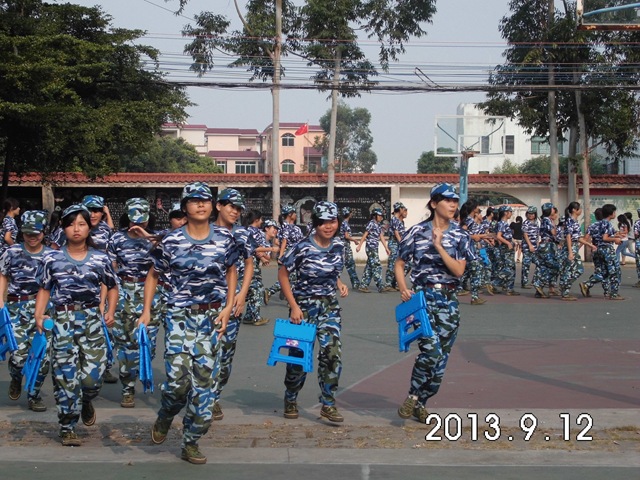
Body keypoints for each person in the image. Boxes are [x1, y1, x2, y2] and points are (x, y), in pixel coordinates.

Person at [140, 181, 238, 465]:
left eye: (205, 200)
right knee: (177, 384)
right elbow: (153, 275)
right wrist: (146, 310)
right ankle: (166, 414)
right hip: (179, 317)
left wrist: (228, 306)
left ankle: (191, 440)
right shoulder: (171, 241)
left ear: (212, 205)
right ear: (184, 207)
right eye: (194, 200)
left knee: (205, 387)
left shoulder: (225, 238)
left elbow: (231, 270)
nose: (201, 204)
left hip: (211, 317)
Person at [34, 204, 119, 446]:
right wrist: (39, 315)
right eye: (71, 224)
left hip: (91, 320)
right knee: (64, 376)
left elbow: (112, 286)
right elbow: (44, 288)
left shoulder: (100, 258)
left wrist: (110, 311)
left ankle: (86, 400)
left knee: (93, 379)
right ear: (63, 228)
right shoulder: (51, 258)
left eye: (81, 224)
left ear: (89, 227)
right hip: (62, 321)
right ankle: (67, 426)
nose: (76, 229)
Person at [394, 183, 471, 423]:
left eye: (455, 201)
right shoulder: (416, 232)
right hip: (423, 299)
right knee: (431, 351)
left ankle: (420, 403)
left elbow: (459, 271)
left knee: (441, 362)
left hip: (449, 300)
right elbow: (399, 264)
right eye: (448, 200)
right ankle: (413, 395)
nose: (453, 205)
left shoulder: (460, 235)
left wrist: (439, 245)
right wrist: (403, 288)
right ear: (434, 203)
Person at [278, 201, 348, 423]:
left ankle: (328, 402)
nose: (329, 226)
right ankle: (291, 396)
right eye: (323, 222)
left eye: (332, 221)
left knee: (332, 353)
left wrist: (339, 283)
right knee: (298, 357)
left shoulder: (339, 246)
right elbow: (283, 274)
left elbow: (332, 270)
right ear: (315, 224)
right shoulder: (302, 247)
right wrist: (294, 306)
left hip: (329, 307)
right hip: (303, 308)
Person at [107, 198, 160, 408]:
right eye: (134, 220)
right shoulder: (116, 239)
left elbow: (167, 255)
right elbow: (110, 269)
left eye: (142, 220)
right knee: (126, 343)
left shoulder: (156, 238)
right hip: (124, 291)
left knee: (149, 344)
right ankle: (127, 388)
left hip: (150, 293)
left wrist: (147, 236)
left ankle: (141, 372)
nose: (138, 224)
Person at [0, 210, 52, 412]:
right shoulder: (11, 252)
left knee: (42, 357)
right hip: (16, 309)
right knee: (18, 357)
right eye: (28, 233)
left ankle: (34, 394)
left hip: (44, 310)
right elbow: (3, 275)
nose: (32, 237)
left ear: (43, 232)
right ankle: (16, 377)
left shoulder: (51, 255)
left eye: (36, 233)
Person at [211, 188, 254, 422]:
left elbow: (248, 264)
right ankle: (204, 398)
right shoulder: (205, 231)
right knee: (204, 351)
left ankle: (214, 396)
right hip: (207, 300)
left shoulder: (242, 234)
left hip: (232, 300)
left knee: (225, 355)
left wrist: (242, 294)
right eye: (231, 206)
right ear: (219, 206)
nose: (235, 212)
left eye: (238, 209)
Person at [579, 204, 623, 300]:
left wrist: (577, 249)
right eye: (614, 212)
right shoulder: (607, 224)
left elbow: (585, 239)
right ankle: (613, 293)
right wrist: (615, 239)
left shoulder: (593, 225)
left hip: (596, 249)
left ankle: (587, 284)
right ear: (611, 214)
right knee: (615, 271)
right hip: (606, 249)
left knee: (603, 272)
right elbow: (605, 238)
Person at [242, 212, 278, 326]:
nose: (262, 222)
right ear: (256, 220)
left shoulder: (247, 230)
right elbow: (255, 249)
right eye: (261, 219)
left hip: (248, 264)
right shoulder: (254, 232)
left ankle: (250, 316)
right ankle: (254, 317)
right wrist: (270, 250)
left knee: (253, 290)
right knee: (257, 289)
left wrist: (263, 256)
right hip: (250, 265)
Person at [264, 205, 304, 304]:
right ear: (290, 214)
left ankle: (288, 296)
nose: (296, 215)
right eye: (294, 213)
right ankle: (271, 291)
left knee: (288, 277)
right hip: (290, 254)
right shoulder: (287, 227)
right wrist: (282, 255)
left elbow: (277, 241)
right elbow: (284, 241)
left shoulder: (284, 227)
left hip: (292, 253)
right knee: (291, 277)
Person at [558, 202, 595, 301]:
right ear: (574, 210)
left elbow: (578, 238)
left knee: (576, 270)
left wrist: (590, 245)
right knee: (572, 270)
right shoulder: (570, 221)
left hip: (574, 247)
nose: (581, 210)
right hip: (570, 248)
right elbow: (568, 236)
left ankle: (564, 286)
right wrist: (570, 252)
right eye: (580, 208)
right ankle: (565, 290)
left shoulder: (575, 221)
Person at [356, 208, 391, 293]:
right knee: (376, 266)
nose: (381, 217)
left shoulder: (378, 225)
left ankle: (363, 285)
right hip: (370, 248)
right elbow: (365, 234)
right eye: (379, 215)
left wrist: (386, 248)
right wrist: (359, 245)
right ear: (375, 216)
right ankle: (380, 286)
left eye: (381, 216)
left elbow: (381, 236)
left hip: (375, 247)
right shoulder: (371, 223)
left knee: (369, 267)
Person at [489, 206, 520, 296]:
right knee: (508, 269)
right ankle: (493, 283)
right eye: (510, 212)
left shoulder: (504, 223)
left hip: (507, 248)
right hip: (506, 248)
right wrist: (508, 243)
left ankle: (509, 288)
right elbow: (499, 236)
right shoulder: (502, 223)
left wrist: (513, 242)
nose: (511, 214)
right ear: (506, 213)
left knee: (512, 268)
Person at [532, 203, 561, 298]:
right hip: (547, 246)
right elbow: (553, 233)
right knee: (553, 266)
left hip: (547, 245)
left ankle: (540, 289)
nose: (554, 210)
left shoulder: (546, 220)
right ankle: (539, 284)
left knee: (544, 266)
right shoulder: (547, 220)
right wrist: (559, 230)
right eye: (552, 208)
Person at [385, 202, 407, 291]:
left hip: (398, 243)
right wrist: (402, 243)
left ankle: (395, 282)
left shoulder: (400, 221)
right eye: (403, 209)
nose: (404, 211)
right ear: (400, 209)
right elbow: (396, 233)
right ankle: (388, 284)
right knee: (392, 263)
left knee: (403, 263)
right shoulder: (394, 219)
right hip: (394, 243)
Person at [339, 207, 360, 290]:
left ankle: (333, 282)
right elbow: (346, 236)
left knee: (340, 265)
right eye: (351, 212)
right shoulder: (345, 223)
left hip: (341, 246)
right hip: (345, 246)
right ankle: (355, 283)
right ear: (349, 214)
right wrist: (354, 240)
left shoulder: (341, 223)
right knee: (350, 265)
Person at [521, 206, 539, 289]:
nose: (531, 215)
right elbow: (525, 234)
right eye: (529, 213)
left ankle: (534, 281)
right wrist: (530, 245)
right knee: (526, 266)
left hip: (535, 247)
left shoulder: (536, 223)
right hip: (527, 247)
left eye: (532, 214)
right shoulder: (526, 223)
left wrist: (537, 245)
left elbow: (537, 236)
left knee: (539, 264)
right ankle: (524, 283)